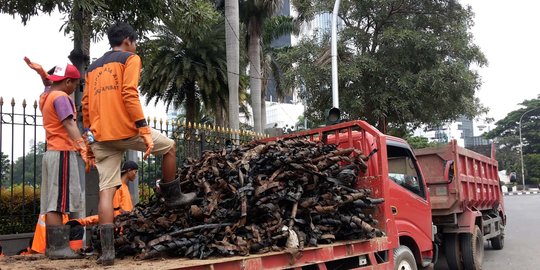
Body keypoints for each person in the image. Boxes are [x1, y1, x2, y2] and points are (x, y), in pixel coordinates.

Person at [82, 22, 195, 265]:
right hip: (126, 130)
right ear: (128, 40)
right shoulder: (130, 59)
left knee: (106, 190)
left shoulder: (92, 68)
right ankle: (173, 196)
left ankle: (107, 253)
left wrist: (89, 142)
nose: (136, 46)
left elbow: (86, 106)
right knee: (170, 148)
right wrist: (143, 129)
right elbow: (129, 93)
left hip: (101, 136)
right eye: (135, 42)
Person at [38, 62, 88, 259]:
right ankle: (59, 248)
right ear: (68, 81)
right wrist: (82, 147)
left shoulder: (47, 96)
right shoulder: (61, 97)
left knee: (53, 202)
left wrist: (43, 78)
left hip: (52, 152)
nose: (75, 87)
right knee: (57, 204)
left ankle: (54, 248)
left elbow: (47, 86)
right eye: (75, 84)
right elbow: (68, 123)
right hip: (62, 153)